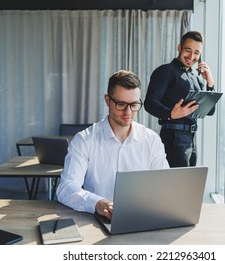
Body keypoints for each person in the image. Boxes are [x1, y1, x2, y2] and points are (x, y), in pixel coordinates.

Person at [56, 70, 169, 220]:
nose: (128, 112)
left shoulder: (151, 140)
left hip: (143, 218)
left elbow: (165, 185)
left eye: (134, 104)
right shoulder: (84, 140)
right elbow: (66, 188)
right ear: (107, 100)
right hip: (97, 221)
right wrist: (98, 203)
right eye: (121, 104)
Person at [144, 31, 215, 167]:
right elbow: (149, 103)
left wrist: (210, 82)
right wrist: (171, 113)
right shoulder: (165, 71)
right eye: (188, 50)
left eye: (196, 53)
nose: (192, 56)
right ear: (179, 48)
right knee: (177, 184)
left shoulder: (195, 78)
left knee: (189, 182)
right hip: (173, 137)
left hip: (191, 138)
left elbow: (210, 111)